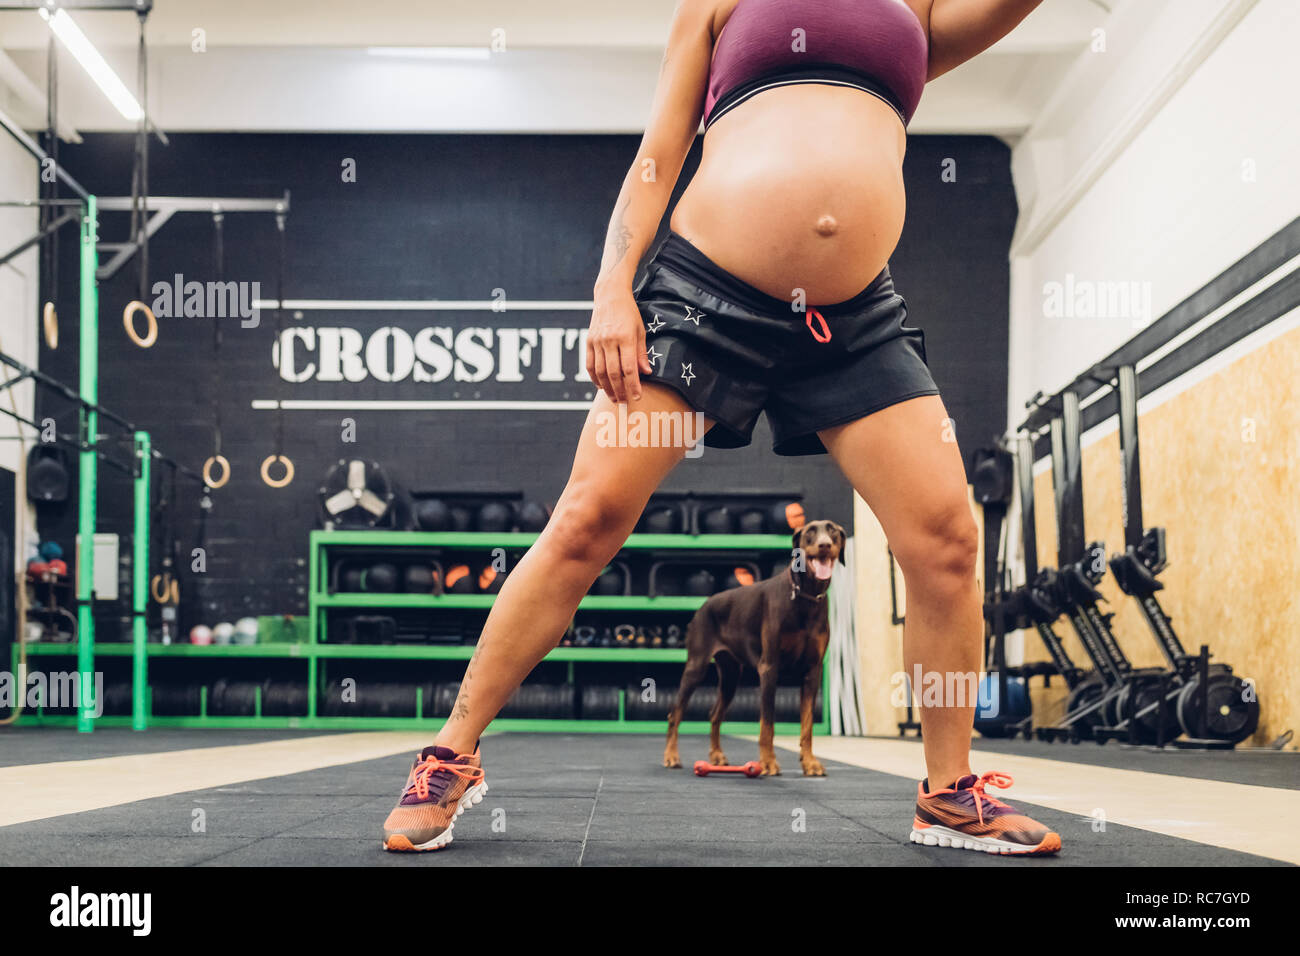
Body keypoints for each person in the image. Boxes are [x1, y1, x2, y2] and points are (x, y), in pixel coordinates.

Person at [383, 0, 1060, 856]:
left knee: (948, 540)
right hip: (704, 298)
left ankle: (950, 793)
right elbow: (659, 154)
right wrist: (611, 288)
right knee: (587, 519)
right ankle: (450, 754)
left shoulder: (912, 6)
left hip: (850, 323)